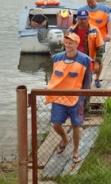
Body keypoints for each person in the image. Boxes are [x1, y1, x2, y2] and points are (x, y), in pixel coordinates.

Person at [45, 33, 93, 164]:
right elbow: (53, 77)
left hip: (76, 99)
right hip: (59, 97)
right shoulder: (57, 58)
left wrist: (84, 96)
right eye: (66, 42)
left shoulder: (85, 60)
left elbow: (87, 80)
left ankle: (75, 151)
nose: (68, 45)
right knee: (56, 124)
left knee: (76, 125)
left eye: (71, 43)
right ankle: (65, 138)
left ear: (77, 44)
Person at [66, 9, 104, 114]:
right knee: (72, 85)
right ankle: (72, 110)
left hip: (87, 63)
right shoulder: (71, 30)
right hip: (73, 63)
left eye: (85, 19)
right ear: (77, 18)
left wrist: (97, 63)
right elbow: (65, 45)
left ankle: (85, 111)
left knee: (86, 86)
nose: (83, 21)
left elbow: (100, 47)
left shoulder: (95, 30)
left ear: (88, 18)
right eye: (81, 19)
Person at [80, 0, 111, 88]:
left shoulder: (105, 9)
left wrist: (109, 34)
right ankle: (85, 77)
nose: (90, 5)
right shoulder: (83, 10)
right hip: (87, 38)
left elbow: (109, 21)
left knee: (99, 59)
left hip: (101, 38)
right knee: (85, 58)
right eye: (88, 3)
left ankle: (97, 78)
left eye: (92, 3)